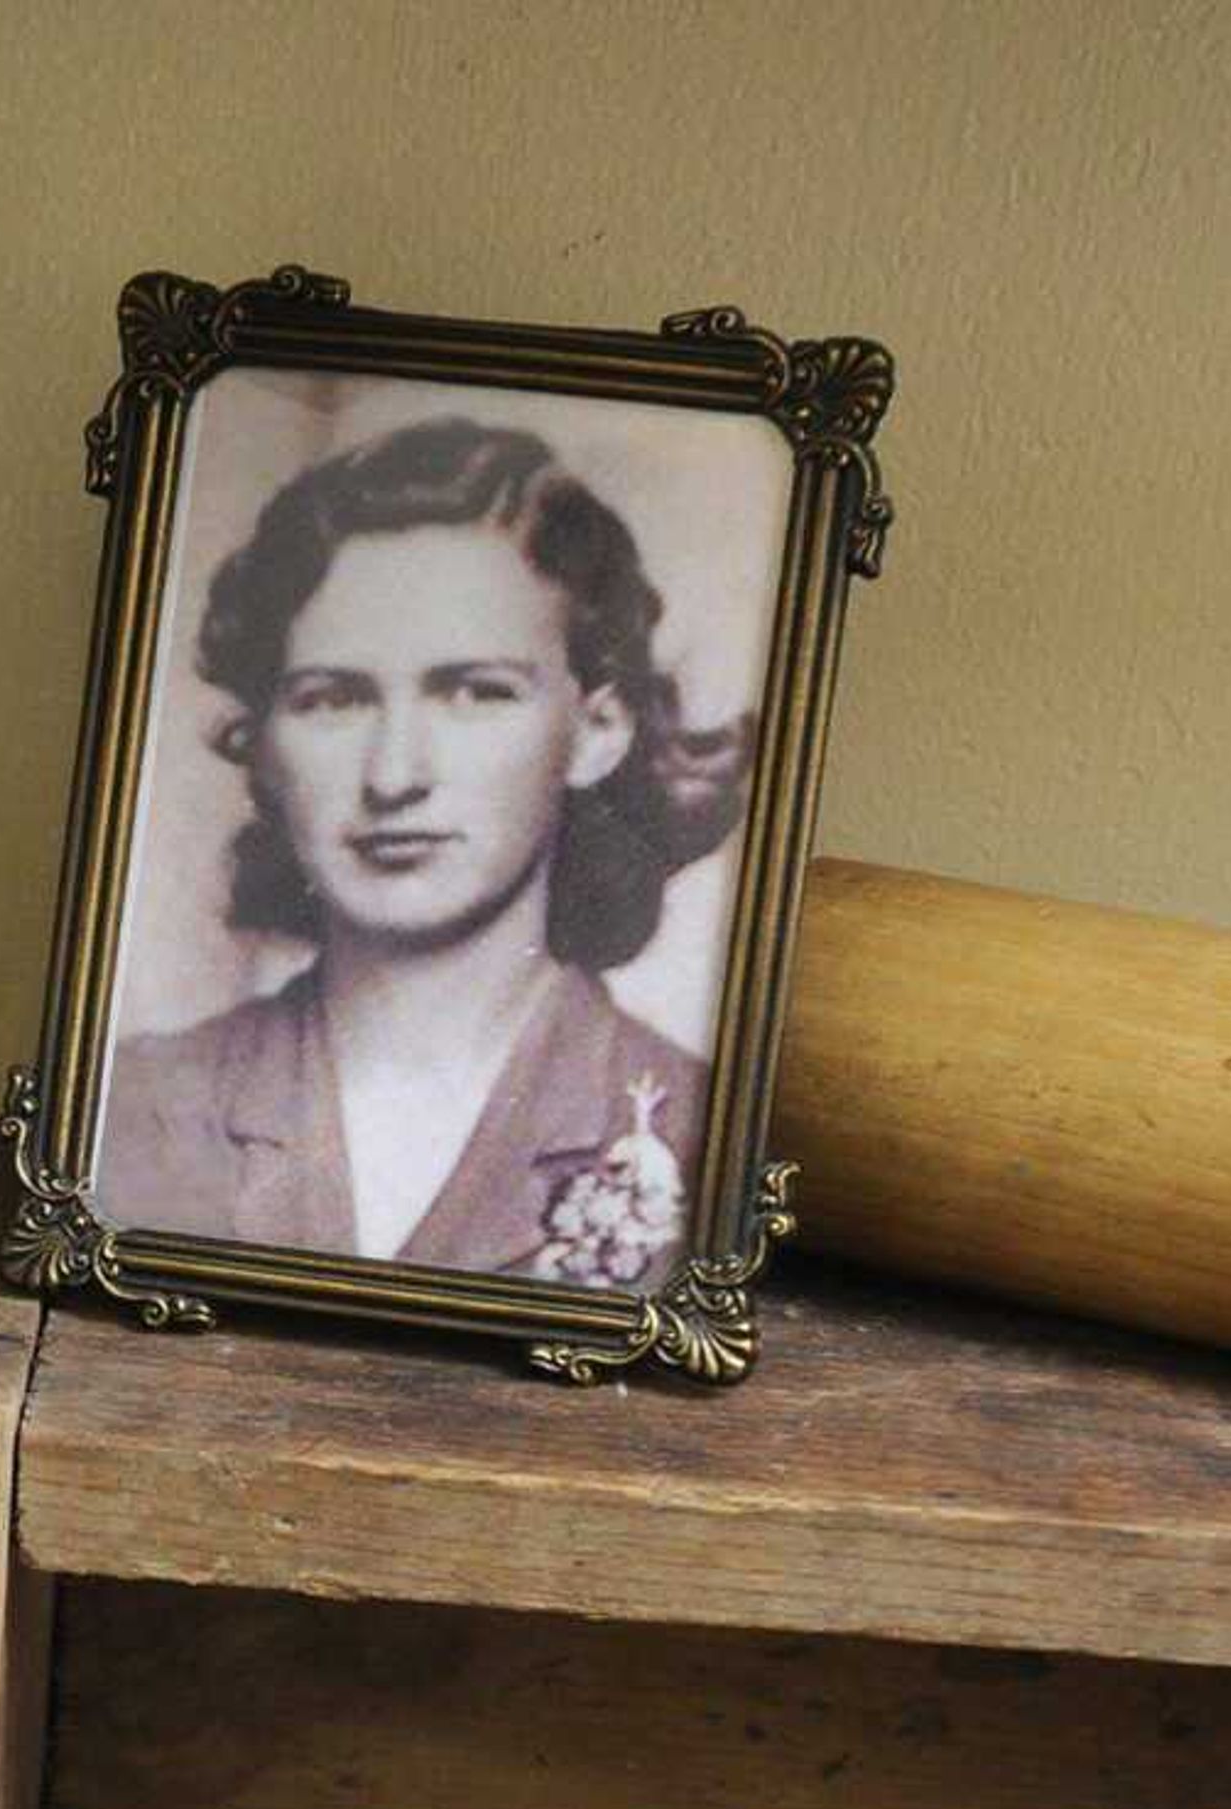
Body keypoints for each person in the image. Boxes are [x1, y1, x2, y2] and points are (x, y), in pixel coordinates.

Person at [95, 416, 749, 1286]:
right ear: (265, 743)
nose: (395, 774)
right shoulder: (128, 1113)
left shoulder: (710, 1144)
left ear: (596, 730)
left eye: (475, 692)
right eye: (333, 700)